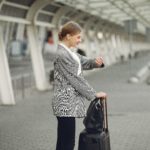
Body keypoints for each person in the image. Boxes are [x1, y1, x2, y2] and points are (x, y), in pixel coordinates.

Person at [52, 21, 107, 150]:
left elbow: (83, 61)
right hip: (65, 104)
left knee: (63, 141)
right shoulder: (62, 54)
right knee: (67, 143)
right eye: (78, 37)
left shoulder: (70, 53)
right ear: (68, 36)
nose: (79, 40)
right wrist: (93, 94)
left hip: (67, 104)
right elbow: (74, 78)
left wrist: (95, 63)